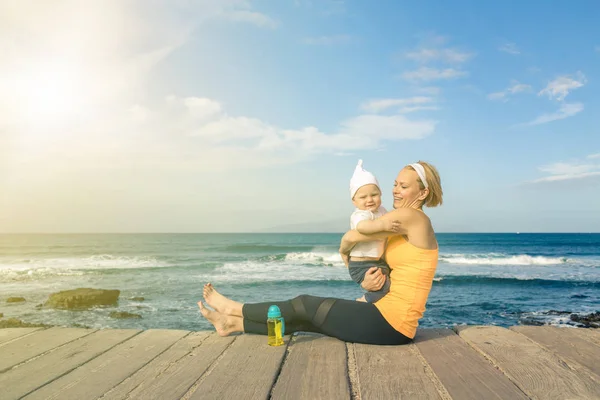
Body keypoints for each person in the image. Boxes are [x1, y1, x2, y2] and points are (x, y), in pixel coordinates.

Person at [198, 161, 443, 345]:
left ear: (422, 193)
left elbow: (352, 236)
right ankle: (232, 323)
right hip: (387, 317)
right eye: (395, 184)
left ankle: (234, 308)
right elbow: (390, 265)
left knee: (304, 304)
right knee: (309, 319)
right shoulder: (406, 224)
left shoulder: (412, 217)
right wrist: (369, 282)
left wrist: (344, 246)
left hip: (390, 322)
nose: (396, 191)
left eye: (404, 186)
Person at [346, 159, 400, 303]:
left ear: (380, 194)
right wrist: (382, 226)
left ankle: (375, 308)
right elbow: (363, 227)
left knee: (393, 284)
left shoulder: (382, 211)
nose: (369, 200)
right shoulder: (360, 214)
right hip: (361, 265)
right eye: (363, 197)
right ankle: (362, 302)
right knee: (385, 288)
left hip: (376, 262)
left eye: (374, 195)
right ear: (354, 201)